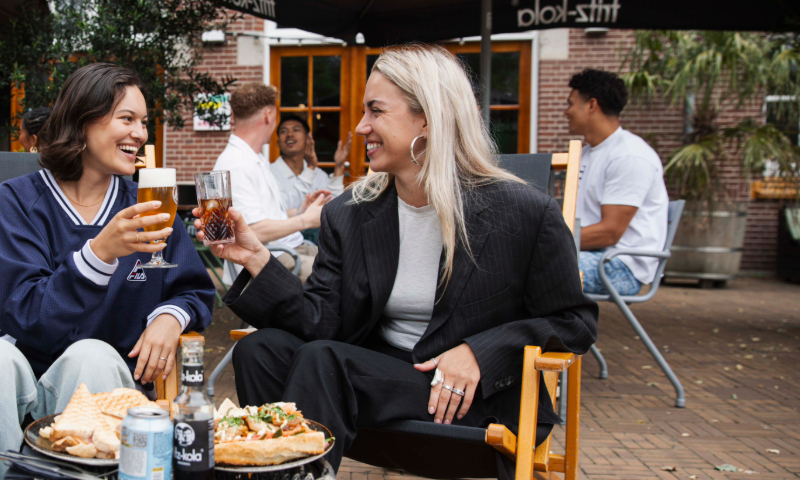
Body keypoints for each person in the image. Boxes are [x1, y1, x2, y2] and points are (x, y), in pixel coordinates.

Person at [198, 45, 597, 480]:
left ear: (428, 117)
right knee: (260, 349)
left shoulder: (522, 211)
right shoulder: (350, 213)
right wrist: (256, 256)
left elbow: (574, 321)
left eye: (376, 111)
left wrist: (480, 353)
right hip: (380, 380)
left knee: (324, 360)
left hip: (472, 400)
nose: (360, 126)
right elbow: (323, 322)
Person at [0, 64, 215, 480]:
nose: (141, 134)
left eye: (143, 123)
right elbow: (24, 313)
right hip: (12, 380)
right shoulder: (20, 199)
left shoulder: (149, 208)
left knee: (92, 354)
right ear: (82, 122)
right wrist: (99, 253)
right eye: (127, 119)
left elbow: (193, 288)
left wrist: (171, 317)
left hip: (100, 380)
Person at [565, 68, 669, 296]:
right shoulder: (587, 154)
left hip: (619, 265)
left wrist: (549, 240)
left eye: (571, 104)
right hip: (589, 253)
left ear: (591, 105)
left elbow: (610, 233)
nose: (566, 111)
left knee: (532, 269)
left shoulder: (629, 155)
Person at [212, 83, 328, 283]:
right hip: (272, 261)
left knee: (348, 260)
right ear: (267, 115)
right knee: (345, 277)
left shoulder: (251, 158)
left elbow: (262, 215)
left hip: (287, 250)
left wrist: (300, 211)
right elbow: (252, 230)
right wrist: (306, 220)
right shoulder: (237, 164)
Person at [271, 113, 350, 212]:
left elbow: (334, 205)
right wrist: (310, 168)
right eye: (284, 131)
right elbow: (282, 209)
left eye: (296, 130)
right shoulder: (269, 172)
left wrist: (339, 167)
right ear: (278, 143)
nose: (290, 134)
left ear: (307, 139)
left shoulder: (319, 174)